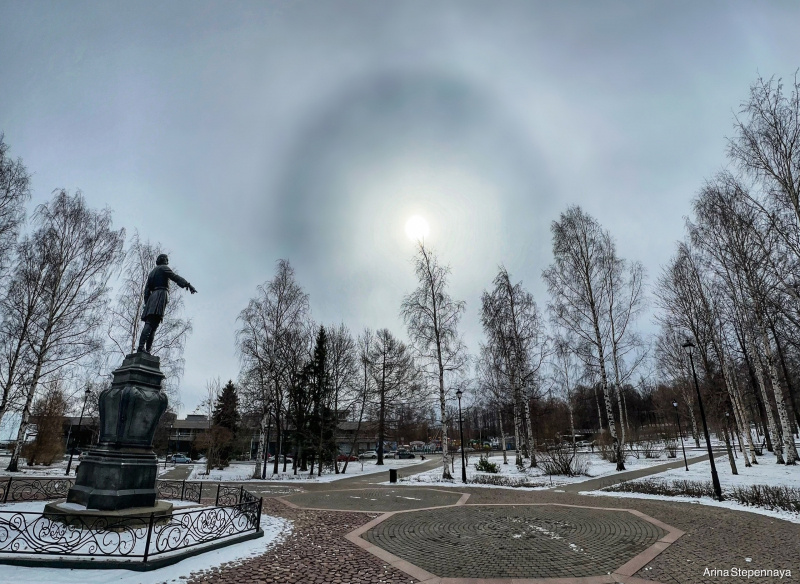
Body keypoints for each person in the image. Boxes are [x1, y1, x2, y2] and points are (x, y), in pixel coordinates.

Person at [137, 254, 197, 354]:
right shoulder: (163, 268)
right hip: (160, 296)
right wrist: (188, 285)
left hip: (152, 298)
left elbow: (146, 290)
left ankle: (147, 350)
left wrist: (147, 303)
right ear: (162, 260)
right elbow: (175, 277)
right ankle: (141, 348)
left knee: (153, 325)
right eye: (166, 259)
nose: (167, 261)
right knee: (151, 323)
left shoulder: (152, 273)